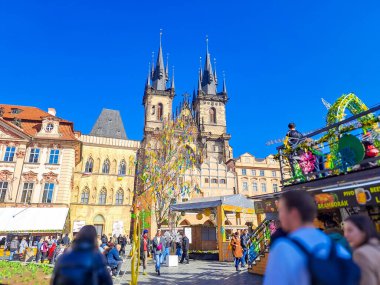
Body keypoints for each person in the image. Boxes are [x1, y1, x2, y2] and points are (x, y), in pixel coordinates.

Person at [264, 191, 354, 285]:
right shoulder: (335, 246)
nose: (279, 216)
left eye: (281, 211)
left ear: (293, 213)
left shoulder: (283, 248)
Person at [344, 215, 380, 285]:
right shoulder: (377, 246)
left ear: (364, 230)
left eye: (350, 230)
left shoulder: (360, 254)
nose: (345, 235)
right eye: (344, 230)